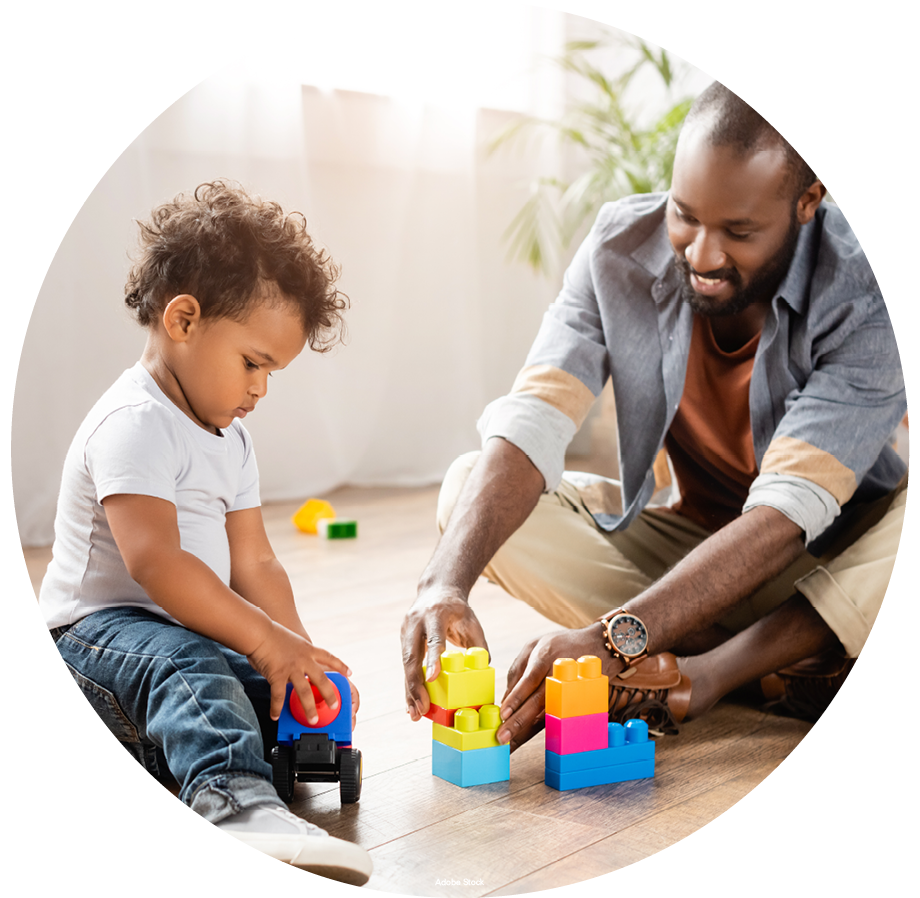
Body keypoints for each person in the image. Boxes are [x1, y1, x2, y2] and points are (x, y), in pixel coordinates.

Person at [401, 82, 907, 751]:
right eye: (685, 214)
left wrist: (613, 641)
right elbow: (533, 419)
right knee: (470, 485)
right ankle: (797, 659)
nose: (701, 254)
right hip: (691, 547)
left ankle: (713, 672)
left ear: (808, 202)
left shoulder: (873, 292)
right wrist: (441, 585)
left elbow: (788, 514)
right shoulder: (617, 251)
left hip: (827, 552)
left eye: (739, 231)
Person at [40, 182, 373, 885]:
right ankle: (236, 806)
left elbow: (254, 563)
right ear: (184, 320)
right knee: (192, 667)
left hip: (173, 642)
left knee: (255, 683)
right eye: (253, 363)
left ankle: (178, 763)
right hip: (93, 640)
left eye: (271, 373)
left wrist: (296, 652)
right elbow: (157, 562)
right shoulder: (133, 421)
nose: (259, 389)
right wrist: (262, 638)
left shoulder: (231, 439)